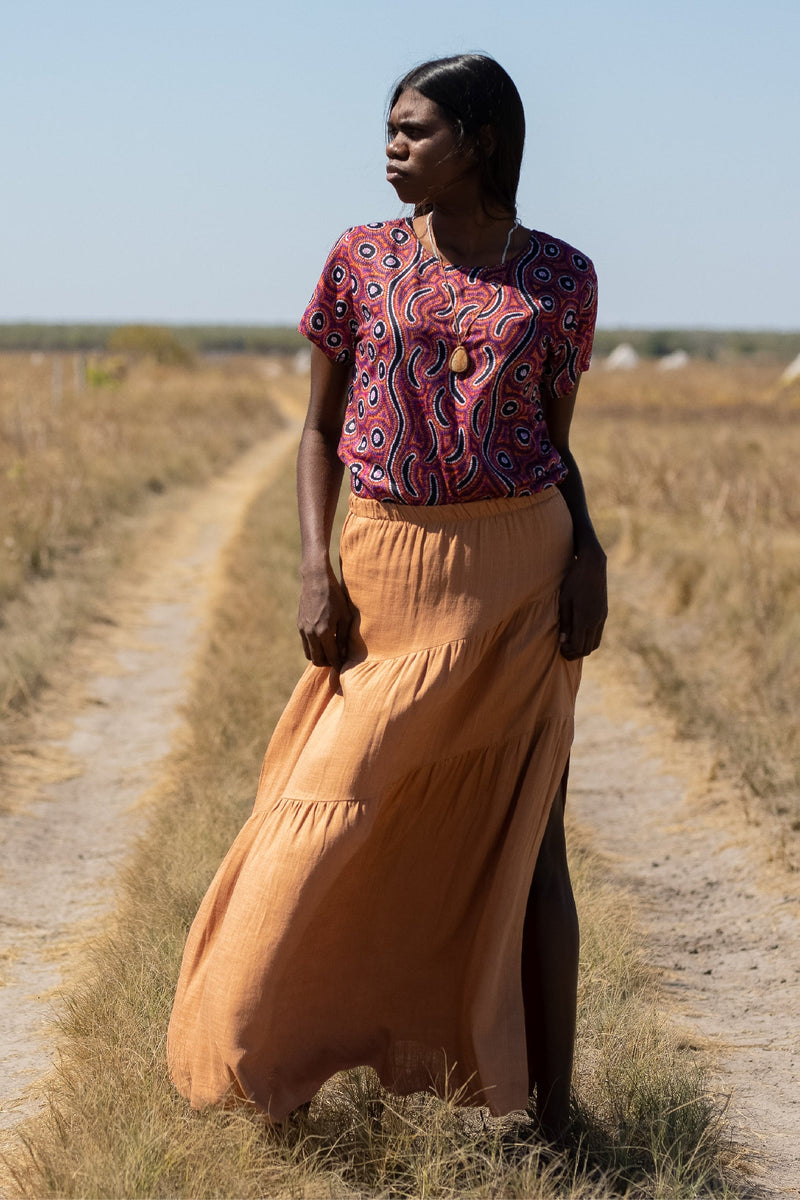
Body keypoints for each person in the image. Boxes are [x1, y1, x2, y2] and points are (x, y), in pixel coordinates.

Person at [167, 53, 607, 1143]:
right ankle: (269, 1068)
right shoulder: (358, 261)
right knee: (321, 816)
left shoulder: (558, 276)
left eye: (413, 132)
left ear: (481, 142)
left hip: (518, 578)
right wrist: (317, 567)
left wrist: (586, 550)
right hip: (386, 571)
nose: (389, 150)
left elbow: (550, 448)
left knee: (524, 842)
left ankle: (549, 1123)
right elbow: (317, 430)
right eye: (389, 130)